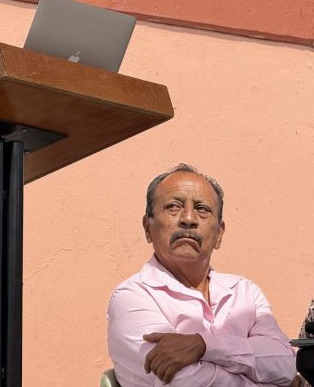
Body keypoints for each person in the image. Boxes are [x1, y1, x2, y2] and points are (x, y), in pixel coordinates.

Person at [106, 163, 297, 386]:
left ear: (219, 234)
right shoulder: (132, 297)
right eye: (173, 206)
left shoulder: (245, 292)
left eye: (202, 209)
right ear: (148, 228)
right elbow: (185, 381)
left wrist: (204, 345)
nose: (189, 218)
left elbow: (286, 364)